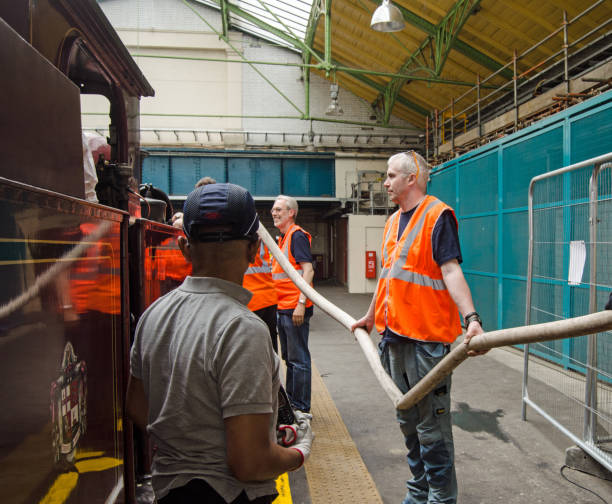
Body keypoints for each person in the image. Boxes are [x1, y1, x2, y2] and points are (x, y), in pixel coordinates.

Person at [127, 183, 313, 504]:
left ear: (185, 247)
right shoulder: (243, 330)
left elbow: (136, 406)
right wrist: (299, 452)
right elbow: (250, 464)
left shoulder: (153, 315)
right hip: (230, 495)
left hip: (169, 490)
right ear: (254, 248)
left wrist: (188, 440)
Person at [351, 151, 485, 504]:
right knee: (408, 421)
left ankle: (441, 497)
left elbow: (451, 270)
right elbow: (388, 278)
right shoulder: (393, 221)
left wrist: (471, 319)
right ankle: (419, 490)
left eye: (392, 176)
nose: (385, 182)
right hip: (393, 337)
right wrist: (370, 316)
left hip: (426, 342)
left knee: (432, 428)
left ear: (412, 179)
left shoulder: (437, 216)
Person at [271, 195, 314, 413]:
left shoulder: (296, 236)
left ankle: (301, 408)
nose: (274, 213)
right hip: (282, 307)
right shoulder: (282, 238)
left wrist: (300, 303)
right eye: (273, 209)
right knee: (290, 360)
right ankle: (293, 404)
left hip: (294, 308)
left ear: (291, 213)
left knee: (299, 360)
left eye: (279, 209)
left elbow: (308, 270)